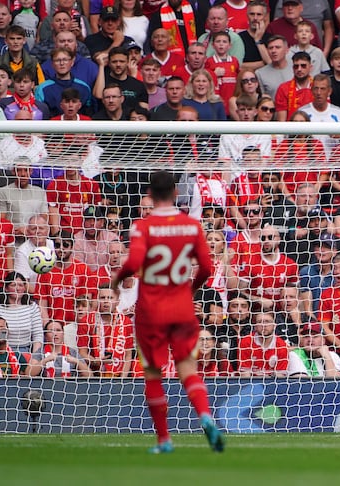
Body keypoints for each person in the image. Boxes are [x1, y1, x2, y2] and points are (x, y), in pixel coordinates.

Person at [111, 170, 225, 453]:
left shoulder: (142, 226)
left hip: (151, 310)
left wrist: (115, 280)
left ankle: (164, 440)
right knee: (188, 369)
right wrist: (191, 290)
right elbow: (208, 268)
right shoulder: (192, 225)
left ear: (150, 194)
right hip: (182, 307)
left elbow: (134, 260)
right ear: (176, 193)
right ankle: (205, 417)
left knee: (152, 373)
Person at [27, 319, 92, 377]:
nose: (55, 334)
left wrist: (77, 361)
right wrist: (45, 360)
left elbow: (90, 375)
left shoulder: (72, 352)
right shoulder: (41, 352)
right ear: (46, 336)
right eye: (51, 331)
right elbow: (28, 373)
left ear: (63, 334)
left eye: (58, 330)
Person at [236, 311, 290, 377]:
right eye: (260, 322)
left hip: (272, 384)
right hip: (251, 384)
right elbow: (245, 374)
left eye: (267, 321)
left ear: (274, 326)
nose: (264, 325)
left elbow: (280, 376)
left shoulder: (282, 346)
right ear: (255, 326)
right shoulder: (246, 342)